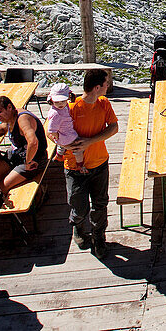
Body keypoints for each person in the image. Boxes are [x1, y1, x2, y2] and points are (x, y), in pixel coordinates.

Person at [64, 68, 119, 258]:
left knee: (100, 204)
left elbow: (114, 127)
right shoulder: (71, 108)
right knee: (78, 207)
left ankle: (99, 237)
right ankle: (78, 226)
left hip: (99, 162)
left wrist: (90, 141)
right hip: (75, 167)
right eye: (106, 84)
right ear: (97, 87)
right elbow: (54, 131)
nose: (107, 87)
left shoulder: (103, 103)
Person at [45, 83, 86, 172]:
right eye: (57, 102)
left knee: (61, 146)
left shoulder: (59, 108)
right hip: (67, 135)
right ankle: (80, 164)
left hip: (62, 134)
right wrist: (57, 138)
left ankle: (59, 155)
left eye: (62, 101)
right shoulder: (56, 114)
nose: (60, 104)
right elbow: (51, 130)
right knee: (78, 149)